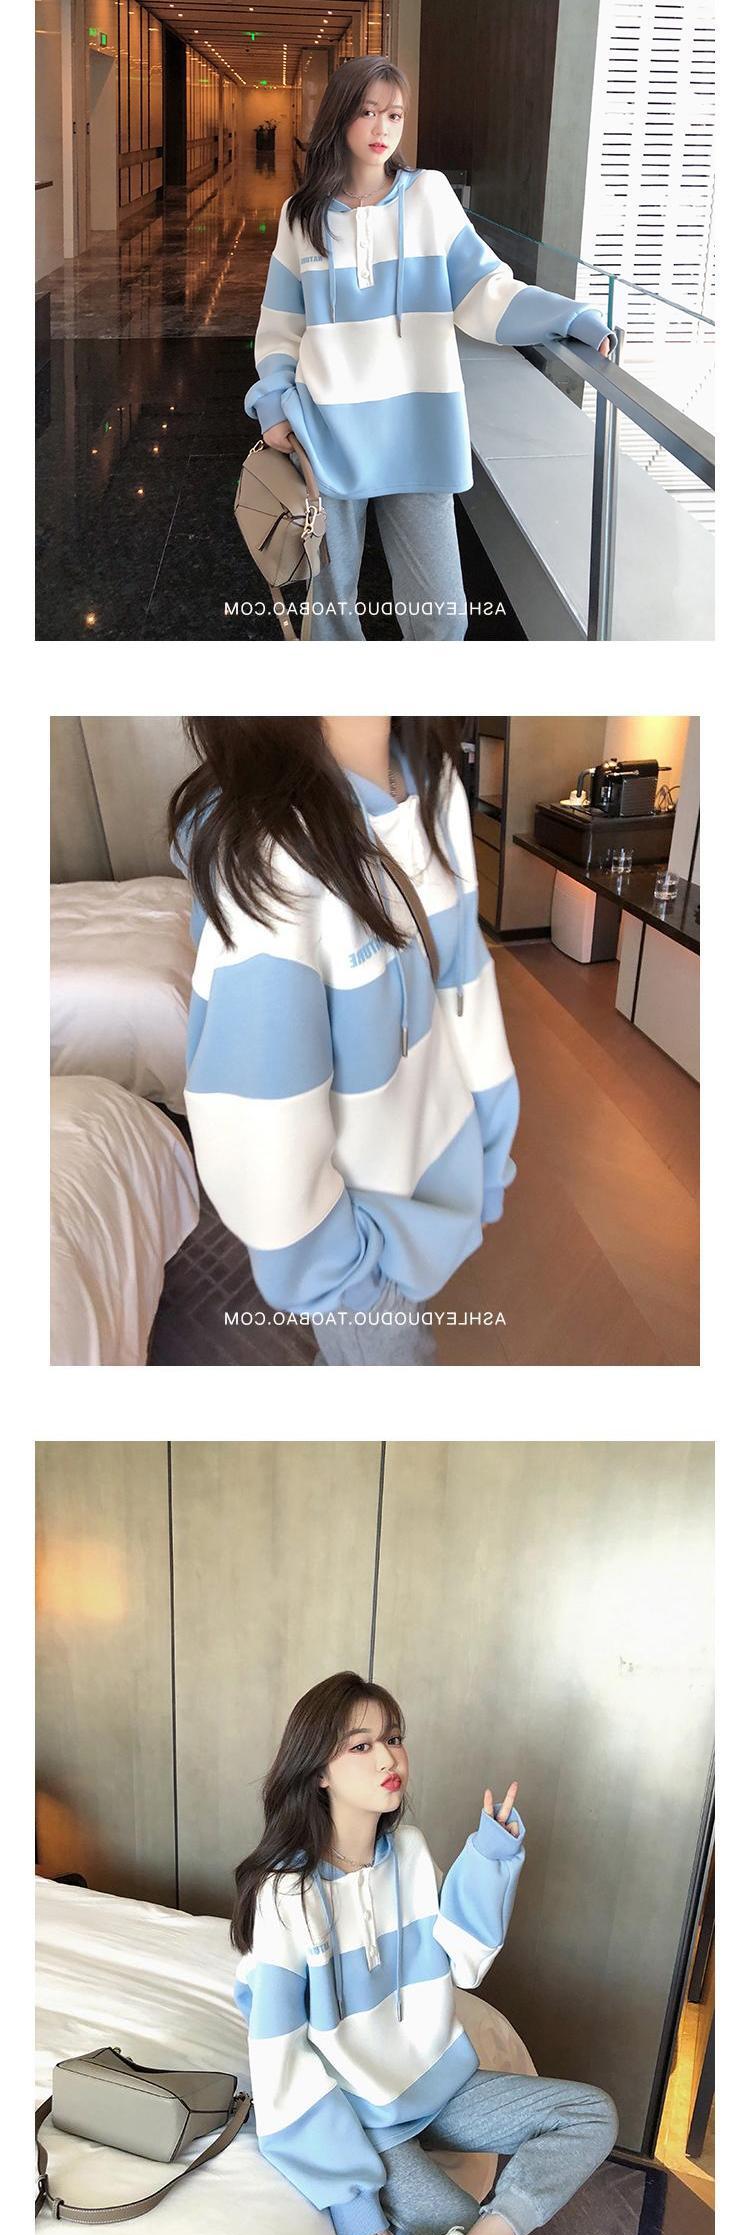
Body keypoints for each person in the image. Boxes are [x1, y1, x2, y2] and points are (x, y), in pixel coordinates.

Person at [168, 717, 520, 1368]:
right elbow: (260, 1130)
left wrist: (488, 1155)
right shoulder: (273, 858)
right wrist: (351, 1279)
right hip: (362, 1260)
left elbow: (465, 983)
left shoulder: (434, 780)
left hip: (437, 1192)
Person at [231, 1670, 618, 2235]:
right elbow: (281, 2061)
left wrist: (489, 1859)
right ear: (317, 1772)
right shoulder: (288, 1894)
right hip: (363, 2115)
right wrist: (351, 2199)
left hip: (439, 2088)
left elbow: (464, 1963)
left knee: (592, 2113)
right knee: (449, 2220)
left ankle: (496, 2233)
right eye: (361, 1746)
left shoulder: (409, 1852)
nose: (388, 1757)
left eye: (393, 1738)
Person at [246, 55, 615, 642]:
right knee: (329, 613)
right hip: (325, 429)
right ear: (339, 116)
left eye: (394, 115)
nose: (382, 128)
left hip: (418, 426)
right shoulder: (302, 215)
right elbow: (280, 327)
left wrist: (572, 318)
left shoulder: (429, 196)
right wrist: (272, 402)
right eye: (368, 112)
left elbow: (485, 292)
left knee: (442, 615)